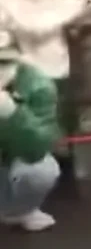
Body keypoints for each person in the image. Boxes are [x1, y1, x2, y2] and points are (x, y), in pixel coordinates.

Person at [0, 0, 91, 192]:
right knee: (37, 129)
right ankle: (32, 189)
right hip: (30, 67)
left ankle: (59, 177)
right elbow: (31, 24)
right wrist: (75, 7)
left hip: (58, 59)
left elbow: (53, 11)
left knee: (64, 121)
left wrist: (76, 4)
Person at [0, 26, 61, 232]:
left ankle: (18, 210)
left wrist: (12, 113)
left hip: (13, 160)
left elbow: (37, 148)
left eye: (4, 62)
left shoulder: (39, 86)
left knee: (42, 170)